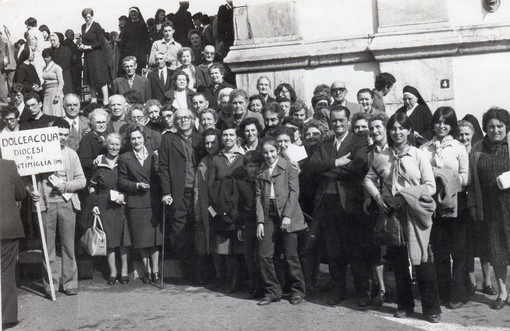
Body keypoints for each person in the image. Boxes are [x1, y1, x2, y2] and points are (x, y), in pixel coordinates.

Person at [364, 112, 441, 323]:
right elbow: (368, 179)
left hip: (416, 213)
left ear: (409, 131)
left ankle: (431, 309)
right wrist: (378, 197)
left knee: (423, 259)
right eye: (393, 128)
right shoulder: (383, 156)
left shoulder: (418, 155)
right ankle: (404, 305)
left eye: (401, 128)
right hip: (392, 214)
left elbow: (430, 186)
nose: (397, 132)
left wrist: (406, 197)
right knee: (398, 261)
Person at [308, 105, 371, 307]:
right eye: (334, 121)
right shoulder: (324, 143)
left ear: (348, 121)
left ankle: (362, 291)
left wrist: (326, 170)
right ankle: (338, 289)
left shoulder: (358, 141)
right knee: (334, 251)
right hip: (327, 203)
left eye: (341, 120)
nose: (337, 124)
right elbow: (312, 166)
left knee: (355, 250)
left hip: (350, 203)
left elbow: (357, 168)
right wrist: (335, 162)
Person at [420, 107, 469, 309]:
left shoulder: (458, 148)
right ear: (433, 124)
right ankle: (444, 290)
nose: (441, 126)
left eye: (446, 122)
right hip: (433, 205)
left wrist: (445, 178)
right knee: (439, 251)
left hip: (456, 203)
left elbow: (466, 178)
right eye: (438, 122)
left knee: (458, 250)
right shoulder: (424, 149)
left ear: (451, 125)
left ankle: (458, 292)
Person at [33, 119, 86, 296]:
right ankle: (51, 285)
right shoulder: (39, 154)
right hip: (46, 204)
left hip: (67, 202)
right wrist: (31, 191)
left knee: (68, 244)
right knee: (48, 246)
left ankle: (70, 282)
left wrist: (65, 186)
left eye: (65, 135)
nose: (62, 138)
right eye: (58, 135)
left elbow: (82, 180)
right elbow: (27, 178)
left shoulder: (71, 154)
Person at [256, 137, 307, 305]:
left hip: (288, 214)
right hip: (268, 214)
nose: (269, 155)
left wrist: (287, 216)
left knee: (291, 255)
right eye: (265, 152)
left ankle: (297, 290)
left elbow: (294, 193)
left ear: (277, 150)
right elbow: (258, 197)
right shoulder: (261, 171)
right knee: (264, 254)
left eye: (272, 151)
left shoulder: (289, 168)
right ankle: (272, 291)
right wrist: (260, 222)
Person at [467, 107, 510, 310]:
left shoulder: (509, 144)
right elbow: (471, 182)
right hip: (490, 208)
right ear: (485, 128)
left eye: (500, 126)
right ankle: (502, 293)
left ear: (506, 127)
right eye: (491, 126)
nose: (495, 130)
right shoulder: (477, 148)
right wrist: (473, 205)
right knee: (497, 251)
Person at [159, 108, 206, 280]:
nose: (183, 120)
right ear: (175, 121)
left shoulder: (201, 139)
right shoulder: (168, 139)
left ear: (193, 120)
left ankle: (202, 271)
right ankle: (187, 271)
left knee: (198, 228)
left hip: (199, 191)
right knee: (179, 229)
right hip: (178, 191)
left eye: (187, 117)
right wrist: (166, 192)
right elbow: (162, 167)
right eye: (179, 118)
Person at [118, 124, 162, 284]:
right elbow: (121, 181)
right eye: (133, 138)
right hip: (136, 202)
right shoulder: (125, 157)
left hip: (153, 201)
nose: (136, 141)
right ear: (129, 140)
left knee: (155, 239)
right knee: (141, 239)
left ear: (144, 138)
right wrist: (136, 186)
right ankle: (147, 270)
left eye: (139, 137)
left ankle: (155, 270)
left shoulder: (154, 155)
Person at [456, 120, 496, 296]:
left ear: (472, 134)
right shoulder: (454, 150)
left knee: (484, 242)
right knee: (467, 244)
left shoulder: (477, 150)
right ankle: (471, 280)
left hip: (479, 201)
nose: (463, 137)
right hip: (461, 202)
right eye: (460, 134)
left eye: (467, 134)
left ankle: (487, 280)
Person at [85, 133, 131, 285]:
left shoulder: (125, 160)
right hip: (104, 204)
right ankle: (113, 272)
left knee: (124, 239)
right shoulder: (99, 162)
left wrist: (124, 196)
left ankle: (124, 270)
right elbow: (92, 187)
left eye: (117, 145)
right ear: (107, 145)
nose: (114, 147)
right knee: (109, 239)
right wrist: (95, 205)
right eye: (111, 144)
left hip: (122, 203)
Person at [208, 121, 246, 292]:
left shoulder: (244, 158)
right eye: (225, 135)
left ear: (237, 138)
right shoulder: (216, 159)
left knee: (238, 248)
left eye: (231, 135)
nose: (228, 138)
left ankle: (238, 280)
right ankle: (225, 278)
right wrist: (214, 211)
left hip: (239, 210)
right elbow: (210, 186)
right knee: (223, 248)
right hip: (221, 211)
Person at [361, 112, 390, 306]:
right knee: (377, 248)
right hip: (375, 203)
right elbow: (365, 176)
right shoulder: (368, 151)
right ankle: (382, 288)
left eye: (378, 127)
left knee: (396, 247)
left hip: (395, 202)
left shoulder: (394, 148)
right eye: (372, 128)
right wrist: (367, 198)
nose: (375, 131)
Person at [193, 128, 221, 284]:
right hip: (205, 208)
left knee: (221, 245)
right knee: (205, 245)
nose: (210, 145)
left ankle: (222, 276)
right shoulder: (203, 162)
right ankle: (210, 276)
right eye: (207, 143)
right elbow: (197, 188)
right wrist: (197, 211)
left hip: (221, 209)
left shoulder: (223, 159)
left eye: (213, 142)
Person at [0, 158, 26, 329]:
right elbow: (21, 193)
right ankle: (7, 317)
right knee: (7, 272)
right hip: (8, 227)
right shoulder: (8, 165)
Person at [236, 150, 265, 298]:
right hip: (248, 223)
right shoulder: (242, 184)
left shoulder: (265, 182)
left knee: (262, 256)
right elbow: (239, 207)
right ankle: (255, 285)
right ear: (246, 168)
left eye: (256, 166)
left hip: (264, 224)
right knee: (249, 257)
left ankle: (265, 286)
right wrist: (240, 226)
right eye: (250, 166)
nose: (253, 169)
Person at [80, 8, 110, 106]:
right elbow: (84, 40)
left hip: (97, 55)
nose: (87, 19)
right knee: (90, 78)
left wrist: (90, 47)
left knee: (100, 78)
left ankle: (106, 100)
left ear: (92, 16)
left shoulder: (96, 26)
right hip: (88, 56)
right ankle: (93, 100)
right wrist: (82, 45)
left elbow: (101, 41)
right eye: (85, 17)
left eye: (89, 17)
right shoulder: (83, 26)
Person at [78, 108, 108, 183]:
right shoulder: (87, 138)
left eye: (104, 122)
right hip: (94, 177)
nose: (101, 125)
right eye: (98, 122)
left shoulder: (108, 135)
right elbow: (83, 161)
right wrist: (96, 161)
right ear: (91, 123)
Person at [121, 7, 150, 74]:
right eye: (132, 15)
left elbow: (146, 38)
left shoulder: (142, 24)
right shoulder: (127, 25)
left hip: (140, 51)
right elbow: (124, 38)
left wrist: (146, 52)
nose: (133, 17)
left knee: (139, 68)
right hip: (129, 50)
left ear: (138, 14)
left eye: (135, 15)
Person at [41, 48, 64, 117]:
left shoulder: (57, 68)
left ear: (51, 57)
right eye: (44, 57)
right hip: (47, 94)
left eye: (47, 57)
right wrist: (40, 87)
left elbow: (61, 83)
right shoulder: (44, 68)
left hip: (55, 93)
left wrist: (57, 96)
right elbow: (46, 82)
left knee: (56, 114)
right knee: (47, 114)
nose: (45, 59)